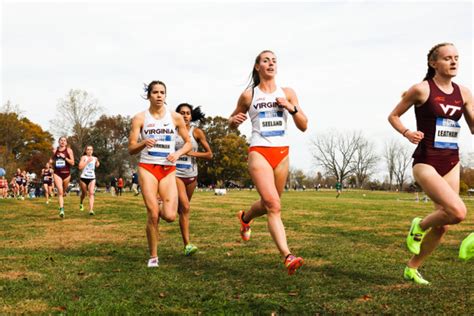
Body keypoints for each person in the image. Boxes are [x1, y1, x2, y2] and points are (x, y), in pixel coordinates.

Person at [388, 43, 473, 285]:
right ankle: (420, 224)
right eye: (447, 58)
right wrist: (407, 132)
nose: (454, 62)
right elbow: (393, 115)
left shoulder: (464, 93)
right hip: (426, 161)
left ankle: (412, 268)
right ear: (433, 63)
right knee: (458, 212)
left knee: (445, 223)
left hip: (452, 161)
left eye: (456, 57)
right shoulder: (421, 90)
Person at [229, 50, 308, 275]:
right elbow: (231, 121)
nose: (271, 63)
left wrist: (290, 108)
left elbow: (304, 125)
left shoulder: (288, 93)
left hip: (282, 153)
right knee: (274, 205)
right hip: (259, 152)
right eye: (266, 60)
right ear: (258, 67)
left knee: (268, 204)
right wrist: (233, 121)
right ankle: (287, 255)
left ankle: (245, 218)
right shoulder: (249, 95)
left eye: (274, 60)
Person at [128, 80, 192, 268]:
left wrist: (178, 153)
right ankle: (153, 256)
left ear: (165, 95)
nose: (158, 95)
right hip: (148, 168)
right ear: (149, 95)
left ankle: (160, 202)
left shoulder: (175, 118)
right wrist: (143, 142)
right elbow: (131, 148)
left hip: (168, 169)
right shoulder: (140, 118)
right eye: (155, 92)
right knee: (153, 214)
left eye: (162, 92)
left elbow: (188, 142)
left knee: (170, 216)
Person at [175, 103, 213, 256]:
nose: (185, 116)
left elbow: (209, 154)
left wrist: (191, 154)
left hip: (191, 175)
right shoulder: (171, 131)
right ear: (177, 115)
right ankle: (187, 244)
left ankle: (168, 206)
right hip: (175, 173)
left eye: (187, 113)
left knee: (183, 209)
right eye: (182, 113)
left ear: (191, 116)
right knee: (185, 207)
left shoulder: (196, 132)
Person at [52, 136, 75, 218]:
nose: (62, 142)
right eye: (61, 140)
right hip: (57, 173)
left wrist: (64, 157)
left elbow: (72, 163)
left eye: (64, 140)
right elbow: (51, 160)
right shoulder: (55, 150)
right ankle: (61, 210)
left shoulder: (69, 150)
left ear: (66, 142)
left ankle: (64, 193)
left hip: (67, 174)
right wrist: (50, 166)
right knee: (60, 192)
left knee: (63, 191)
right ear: (58, 141)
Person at [78, 145, 100, 215]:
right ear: (86, 151)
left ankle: (91, 210)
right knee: (84, 194)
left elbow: (97, 165)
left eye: (91, 149)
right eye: (88, 149)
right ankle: (81, 202)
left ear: (92, 151)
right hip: (83, 178)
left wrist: (97, 162)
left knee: (91, 193)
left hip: (92, 178)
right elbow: (80, 167)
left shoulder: (95, 158)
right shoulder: (84, 157)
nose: (89, 151)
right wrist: (87, 162)